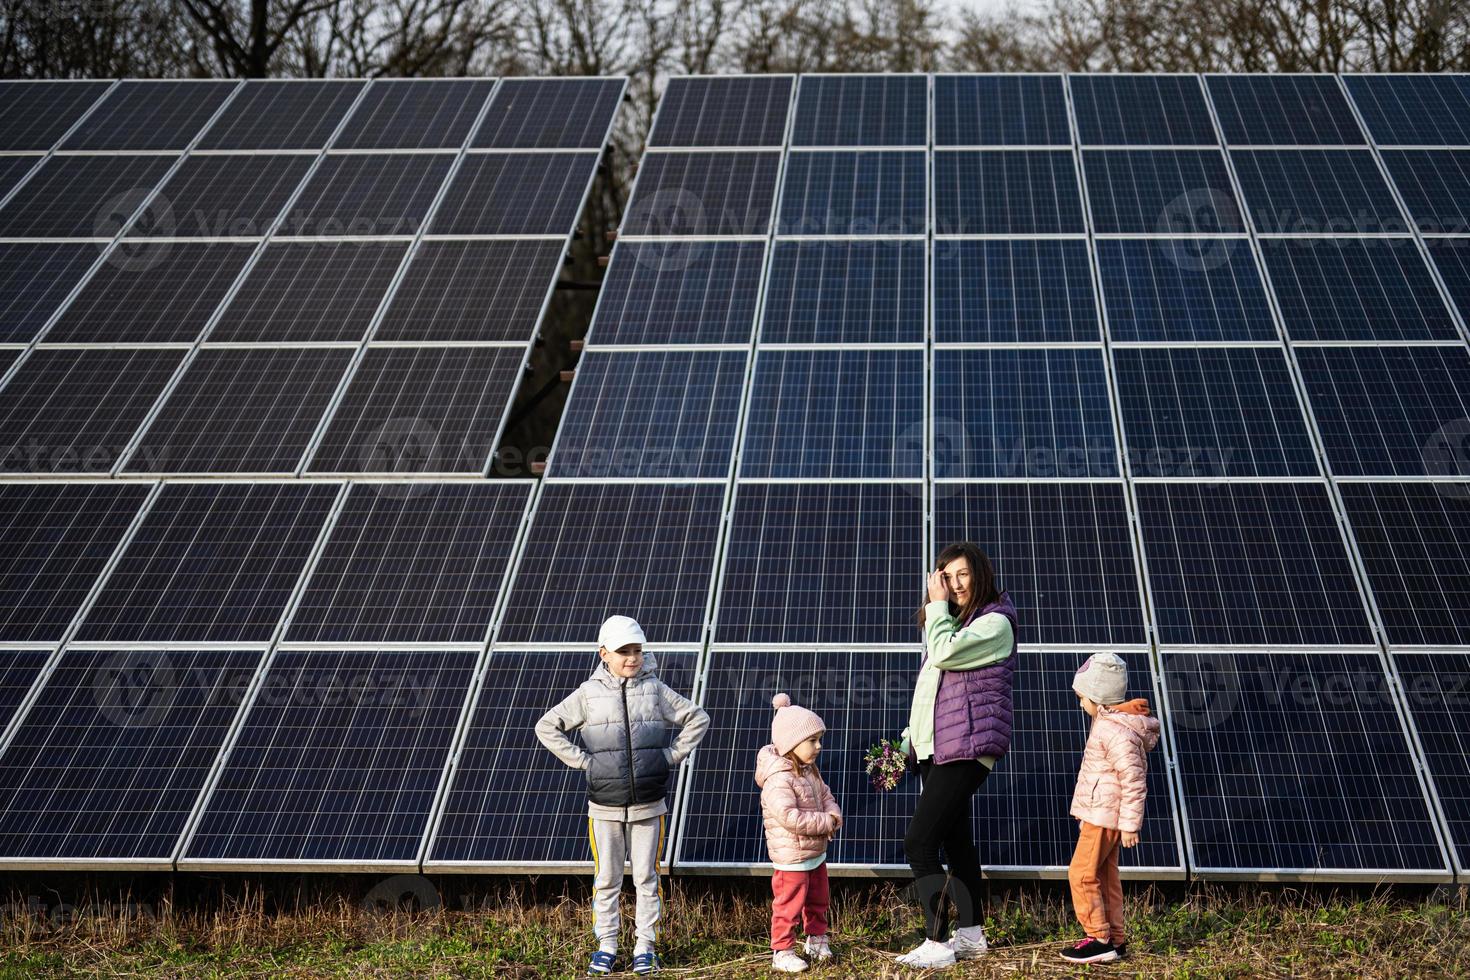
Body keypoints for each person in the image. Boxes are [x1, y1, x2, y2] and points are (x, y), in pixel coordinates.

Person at [535, 615, 710, 976]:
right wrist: (585, 763)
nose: (632, 658)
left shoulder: (656, 690)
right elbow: (546, 726)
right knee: (607, 879)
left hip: (649, 804)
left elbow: (697, 719)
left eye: (637, 651)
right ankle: (607, 945)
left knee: (647, 878)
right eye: (623, 651)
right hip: (604, 807)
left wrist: (669, 757)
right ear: (604, 654)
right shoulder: (588, 694)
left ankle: (645, 947)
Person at [896, 542, 1017, 970]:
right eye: (945, 577)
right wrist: (909, 741)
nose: (954, 584)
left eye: (962, 574)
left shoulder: (994, 624)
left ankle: (936, 940)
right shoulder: (953, 626)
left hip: (967, 747)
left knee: (920, 841)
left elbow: (945, 653)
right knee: (956, 841)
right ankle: (971, 934)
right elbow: (932, 691)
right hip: (939, 746)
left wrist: (936, 607)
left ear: (981, 574)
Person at [1062, 652, 1160, 964]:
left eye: (1083, 697)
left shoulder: (1112, 730)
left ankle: (1098, 937)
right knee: (1105, 876)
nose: (1081, 704)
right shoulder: (1110, 724)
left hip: (1105, 817)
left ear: (1098, 697)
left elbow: (1133, 779)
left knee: (1080, 873)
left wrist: (1130, 824)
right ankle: (1116, 939)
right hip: (1102, 814)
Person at [756, 692, 843, 974]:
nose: (818, 746)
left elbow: (825, 794)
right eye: (812, 741)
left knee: (818, 898)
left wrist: (834, 811)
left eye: (819, 740)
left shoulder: (809, 770)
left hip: (814, 853)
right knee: (788, 905)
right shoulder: (779, 778)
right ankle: (782, 950)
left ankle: (816, 939)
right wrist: (825, 821)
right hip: (791, 856)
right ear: (792, 743)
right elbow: (789, 817)